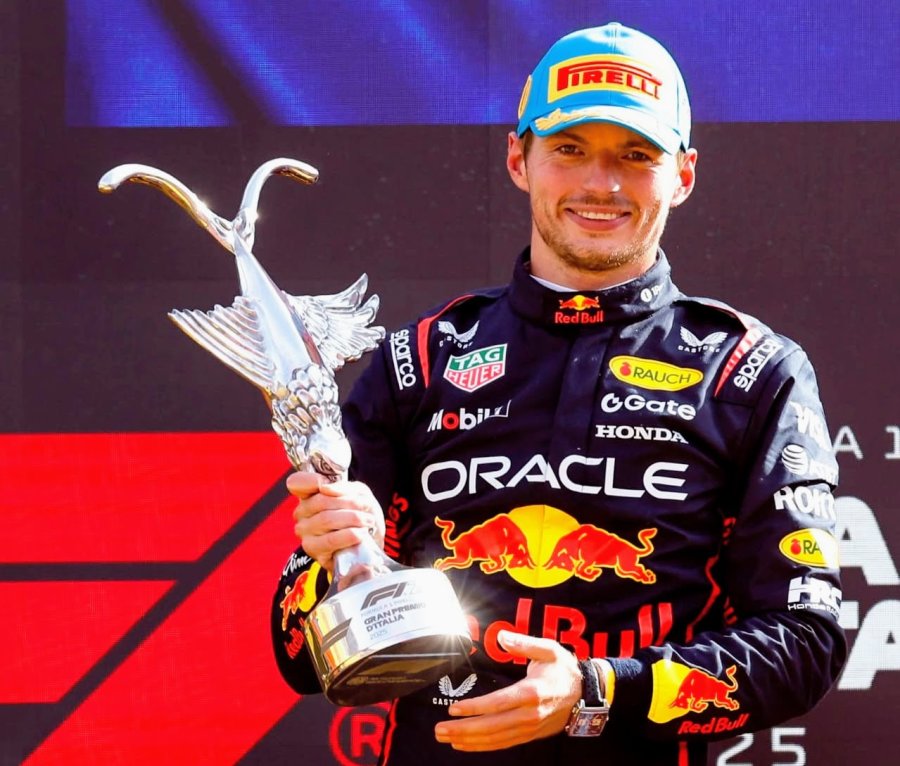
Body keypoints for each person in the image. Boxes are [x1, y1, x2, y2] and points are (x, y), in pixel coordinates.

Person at [271, 22, 846, 765]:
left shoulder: (751, 371)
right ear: (519, 157)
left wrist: (596, 694)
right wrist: (328, 561)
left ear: (683, 174)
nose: (601, 184)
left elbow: (803, 644)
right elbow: (299, 658)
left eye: (636, 155)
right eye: (570, 150)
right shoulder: (418, 363)